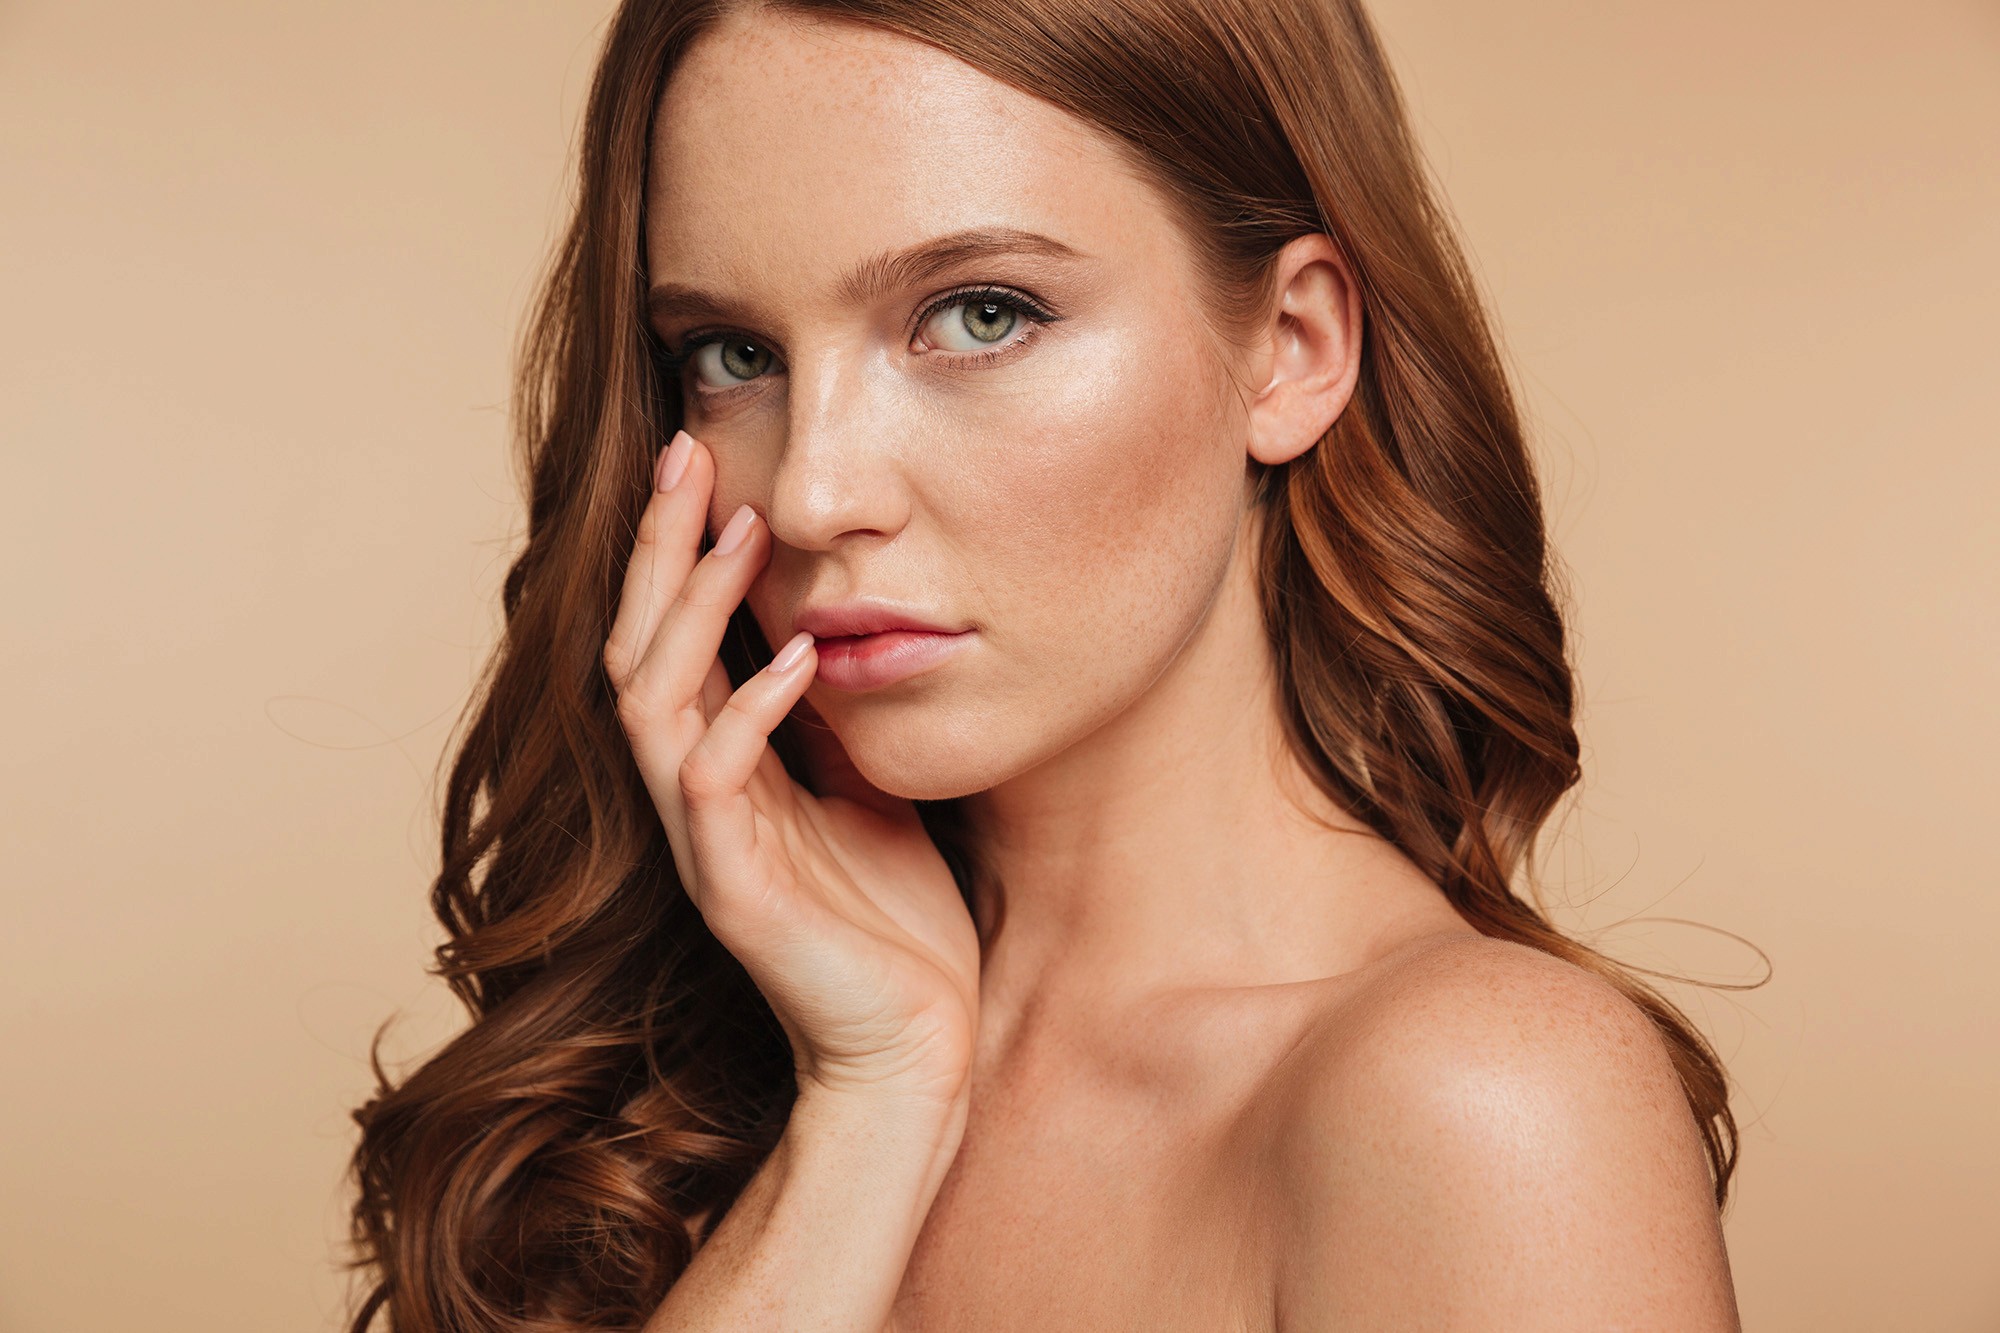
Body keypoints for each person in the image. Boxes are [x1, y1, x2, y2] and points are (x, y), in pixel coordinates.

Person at [347, 0, 1742, 1328]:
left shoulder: (1486, 1104)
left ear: (1292, 348)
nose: (818, 490)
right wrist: (871, 1099)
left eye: (980, 315)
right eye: (731, 352)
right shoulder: (721, 1054)